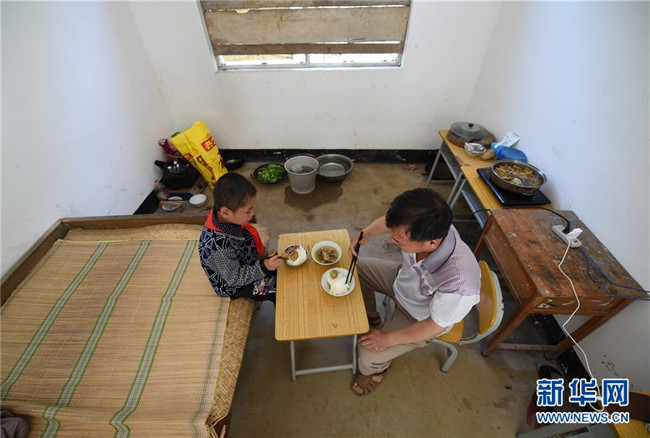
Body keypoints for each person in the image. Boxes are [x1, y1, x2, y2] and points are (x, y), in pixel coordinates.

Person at [349, 188, 481, 395]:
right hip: (401, 280)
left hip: (418, 317)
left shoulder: (460, 283)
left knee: (367, 355)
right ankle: (372, 318)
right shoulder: (426, 224)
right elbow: (392, 223)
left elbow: (433, 327)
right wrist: (366, 233)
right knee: (352, 270)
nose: (392, 240)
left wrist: (386, 339)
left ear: (431, 243)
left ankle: (375, 371)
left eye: (398, 240)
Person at [198, 173, 281, 303]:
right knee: (278, 289)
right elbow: (234, 279)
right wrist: (264, 267)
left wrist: (264, 257)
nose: (252, 214)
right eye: (248, 211)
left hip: (245, 261)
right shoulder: (218, 249)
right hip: (235, 285)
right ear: (225, 212)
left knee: (282, 268)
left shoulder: (225, 217)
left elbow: (246, 243)